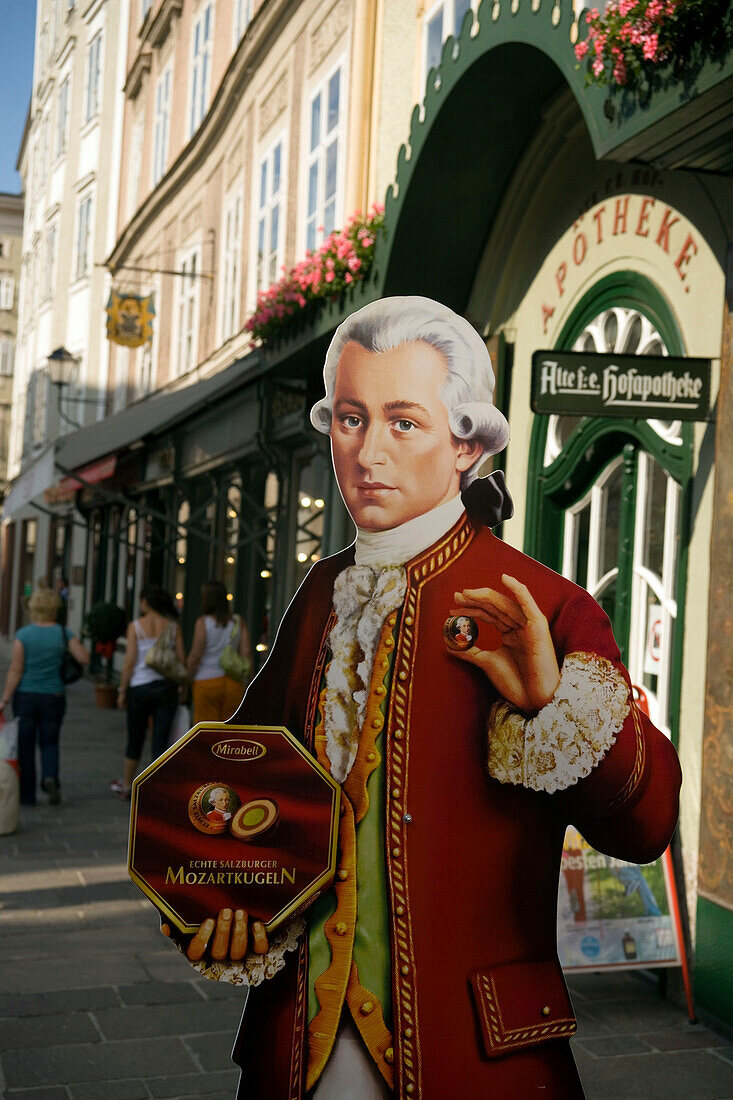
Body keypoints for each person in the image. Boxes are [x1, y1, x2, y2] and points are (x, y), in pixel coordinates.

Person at [165, 297, 681, 1098]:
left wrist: (551, 702)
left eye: (402, 422)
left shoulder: (542, 604)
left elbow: (645, 827)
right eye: (348, 419)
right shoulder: (320, 594)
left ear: (465, 441)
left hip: (474, 1056)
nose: (368, 452)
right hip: (300, 1046)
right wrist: (217, 903)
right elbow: (247, 784)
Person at [0, 587, 89, 805]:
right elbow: (84, 658)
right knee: (50, 741)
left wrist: (5, 699)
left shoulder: (24, 634)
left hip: (26, 696)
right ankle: (50, 777)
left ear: (33, 608)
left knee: (26, 744)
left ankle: (27, 794)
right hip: (54, 696)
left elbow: (16, 669)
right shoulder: (63, 632)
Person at [112, 585, 186, 799]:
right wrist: (183, 686)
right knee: (161, 740)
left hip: (140, 688)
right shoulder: (173, 627)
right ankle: (158, 787)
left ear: (146, 602)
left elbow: (129, 662)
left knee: (135, 737)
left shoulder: (136, 627)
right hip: (166, 689)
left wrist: (122, 690)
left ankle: (127, 785)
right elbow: (180, 660)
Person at [187, 580, 252, 722]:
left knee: (206, 730)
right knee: (229, 729)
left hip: (206, 682)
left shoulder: (203, 623)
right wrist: (250, 679)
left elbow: (196, 655)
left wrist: (187, 678)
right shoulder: (238, 621)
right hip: (233, 683)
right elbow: (246, 653)